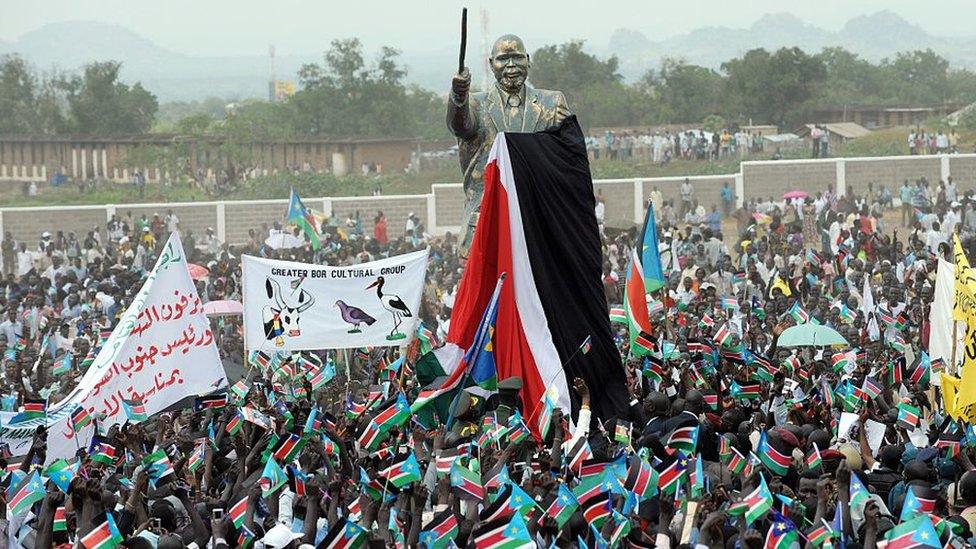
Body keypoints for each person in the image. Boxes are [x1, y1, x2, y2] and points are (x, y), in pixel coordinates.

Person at [447, 34, 571, 256]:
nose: (511, 65)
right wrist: (458, 94)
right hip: (486, 224)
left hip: (539, 223)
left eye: (517, 57)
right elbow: (459, 126)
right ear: (491, 63)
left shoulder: (552, 104)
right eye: (504, 58)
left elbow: (569, 158)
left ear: (528, 59)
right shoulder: (476, 104)